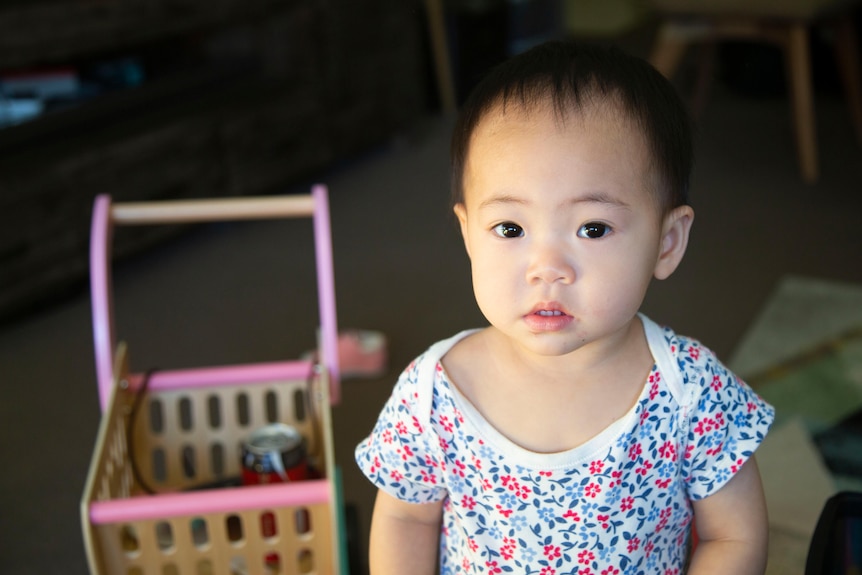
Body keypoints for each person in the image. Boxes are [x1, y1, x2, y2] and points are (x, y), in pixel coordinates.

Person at [355, 41, 774, 575]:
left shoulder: (691, 392)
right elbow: (407, 522)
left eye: (592, 228)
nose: (547, 267)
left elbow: (733, 535)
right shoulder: (433, 394)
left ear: (666, 243)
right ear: (468, 235)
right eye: (510, 228)